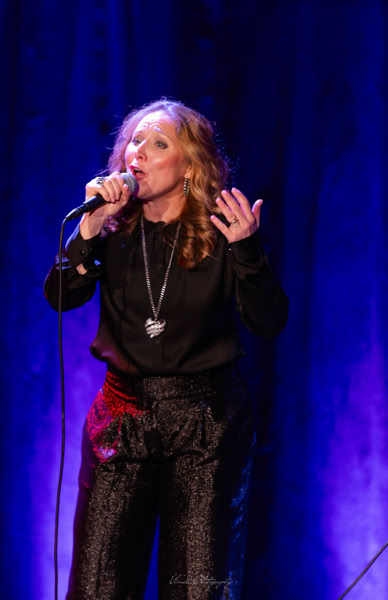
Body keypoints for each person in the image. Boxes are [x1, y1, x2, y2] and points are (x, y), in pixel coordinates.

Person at [44, 98, 289, 600]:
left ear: (189, 167)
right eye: (134, 141)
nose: (139, 152)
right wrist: (89, 229)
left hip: (204, 422)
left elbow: (269, 322)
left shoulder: (222, 231)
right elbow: (61, 297)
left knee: (197, 585)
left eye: (158, 144)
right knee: (98, 584)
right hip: (122, 418)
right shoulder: (112, 227)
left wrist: (247, 250)